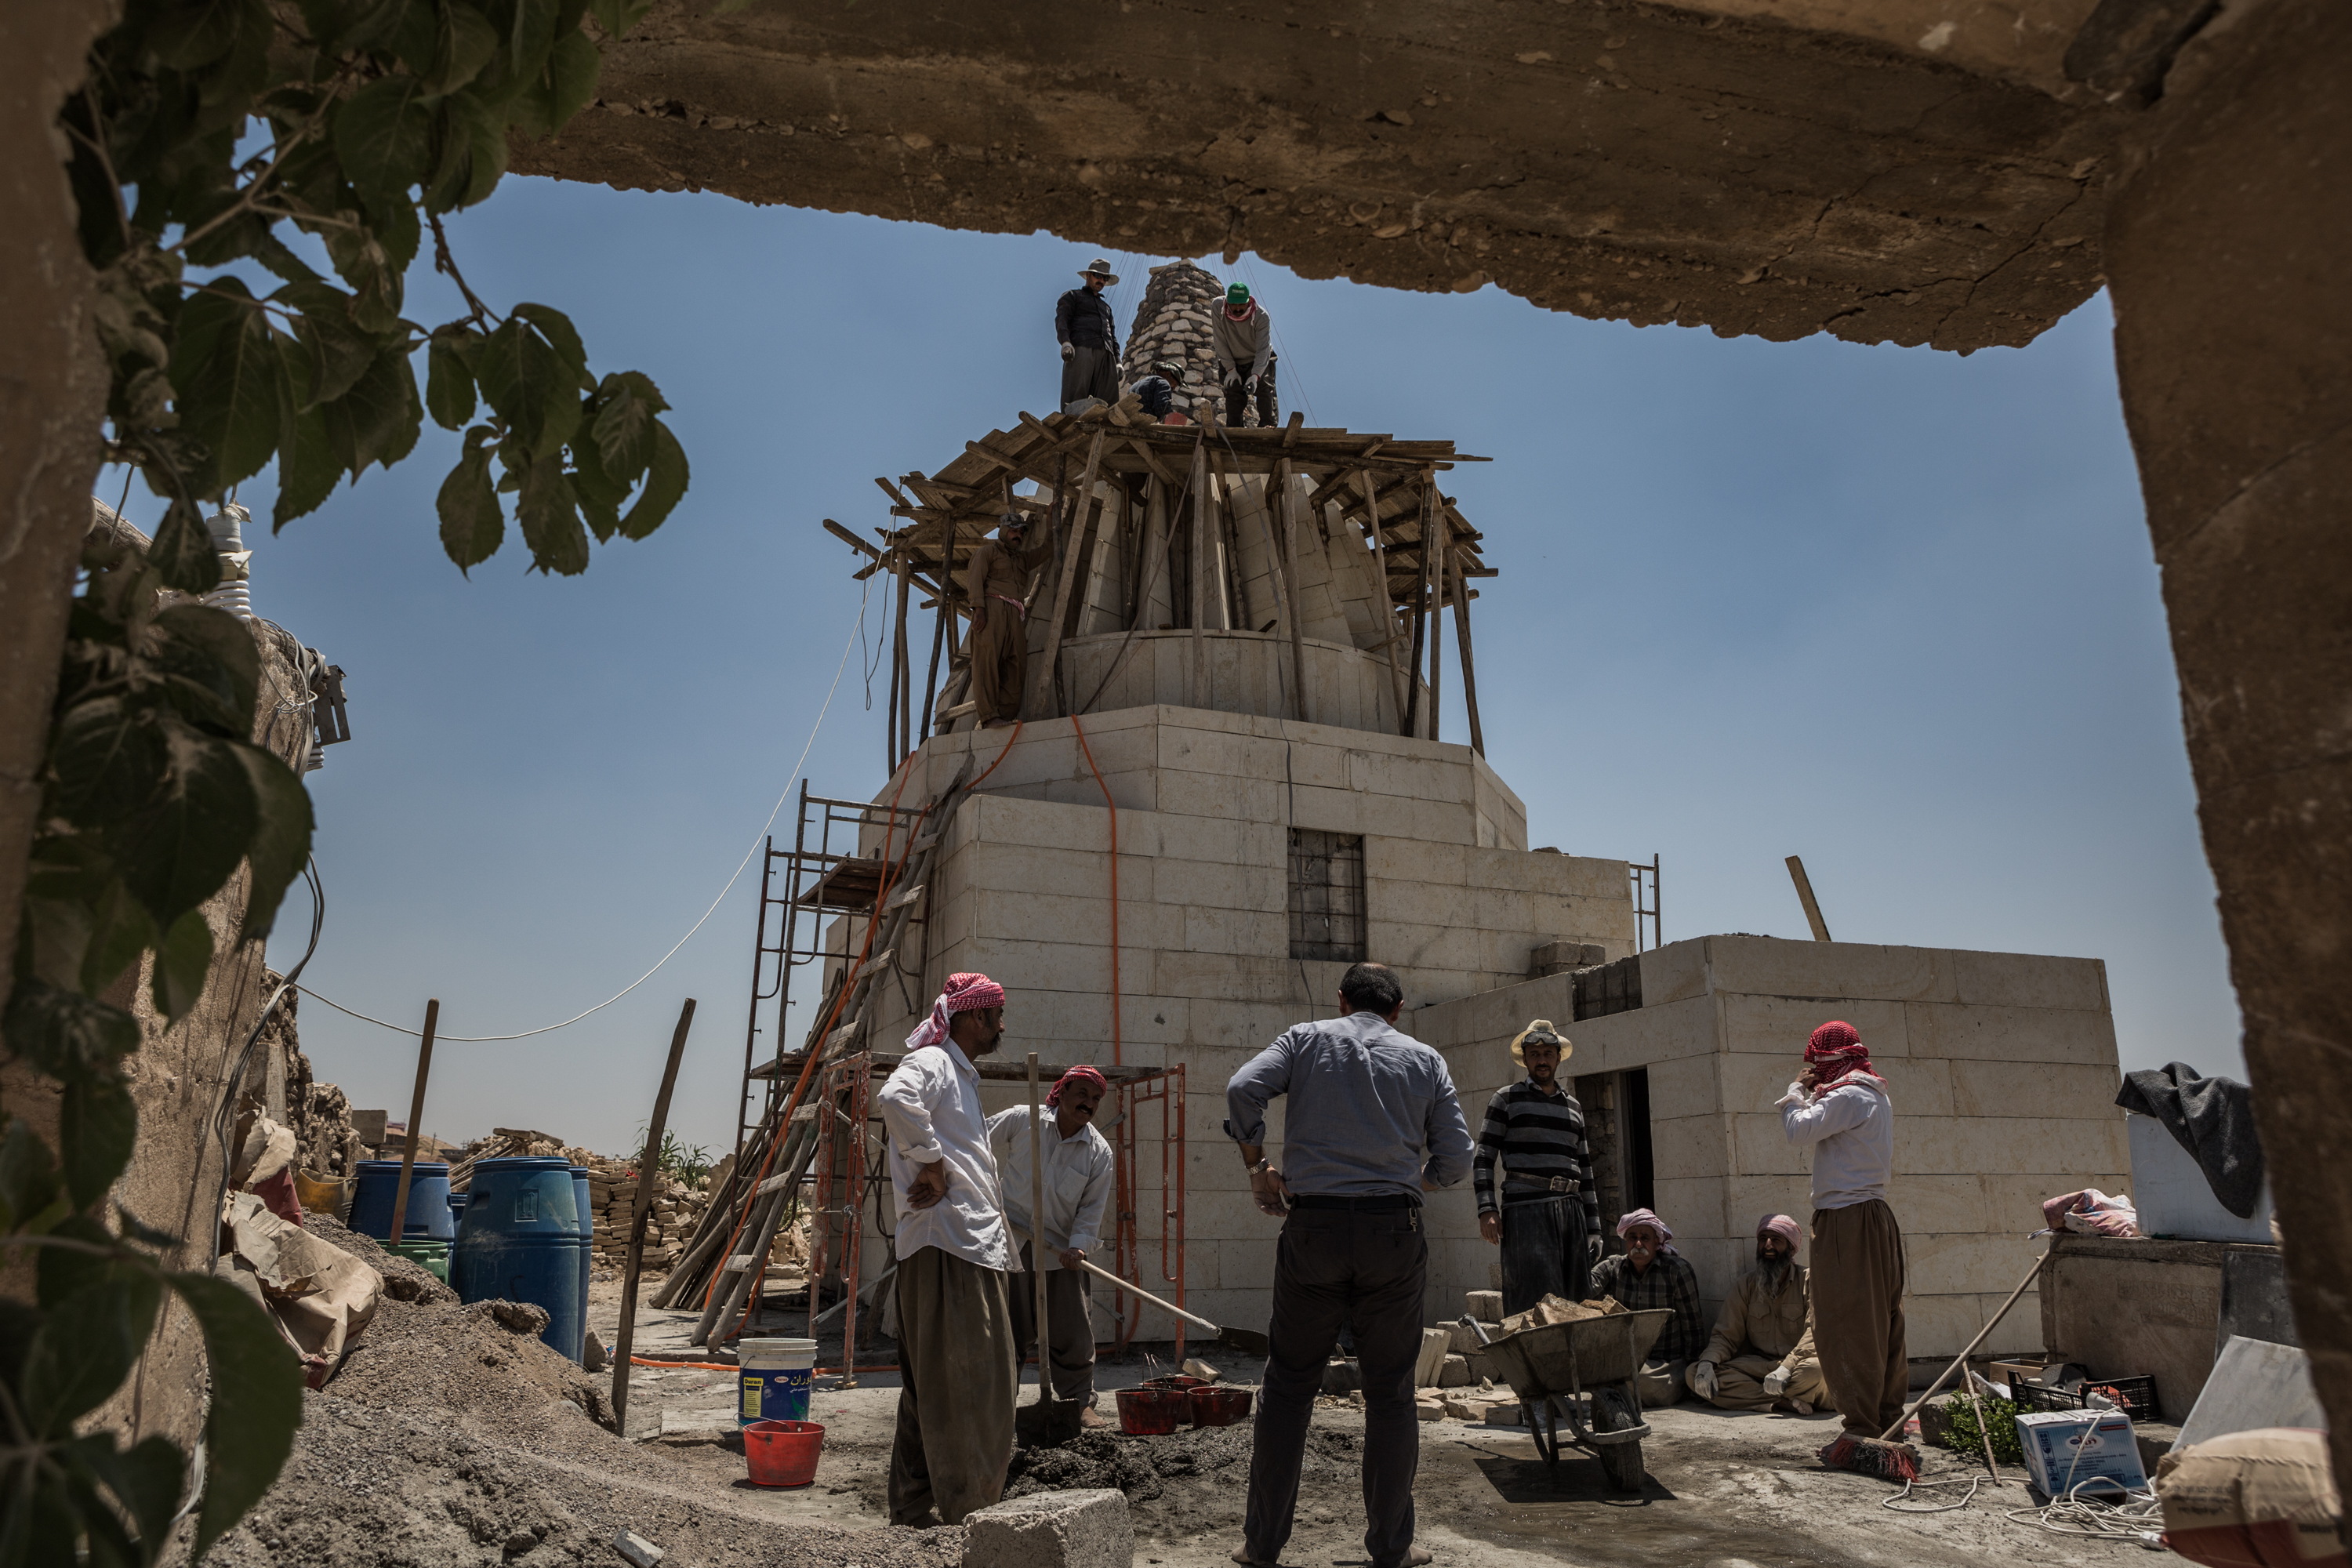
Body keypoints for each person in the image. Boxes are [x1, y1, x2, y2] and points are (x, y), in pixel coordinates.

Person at [1225, 961, 1473, 1568]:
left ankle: (1261, 1549)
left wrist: (1258, 1169)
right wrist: (1418, 1179)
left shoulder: (1306, 1039)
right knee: (1390, 1394)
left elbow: (1242, 1089)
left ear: (1341, 1001)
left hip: (1314, 1227)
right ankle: (1391, 1550)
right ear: (1399, 1008)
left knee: (1287, 1389)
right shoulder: (1425, 1059)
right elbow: (1458, 1157)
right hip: (1395, 1231)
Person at [874, 972, 1020, 1525]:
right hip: (950, 1247)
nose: (1001, 1025)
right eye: (996, 1014)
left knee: (932, 1388)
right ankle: (972, 1516)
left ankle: (913, 1507)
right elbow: (895, 1096)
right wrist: (932, 1162)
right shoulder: (936, 1063)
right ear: (973, 1016)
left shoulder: (960, 1074)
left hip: (959, 1247)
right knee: (975, 1387)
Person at [1780, 1019, 1907, 1449]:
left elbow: (1797, 1129)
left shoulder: (1851, 1096)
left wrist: (1795, 1091)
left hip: (1848, 1219)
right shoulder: (1870, 1094)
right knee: (1879, 1319)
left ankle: (1863, 1428)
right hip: (1869, 1215)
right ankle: (1885, 1417)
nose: (1813, 1070)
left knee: (1849, 1322)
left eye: (1816, 1062)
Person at [985, 1063, 1116, 1427]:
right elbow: (975, 1143)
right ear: (1062, 1092)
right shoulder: (1022, 1119)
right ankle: (998, 1405)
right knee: (1004, 1330)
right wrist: (979, 1188)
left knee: (1072, 1331)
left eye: (1095, 1099)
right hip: (1009, 1242)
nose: (1088, 1103)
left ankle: (1078, 1402)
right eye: (1082, 1094)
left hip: (1060, 1253)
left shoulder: (1098, 1153)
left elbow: (1091, 1210)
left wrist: (1079, 1247)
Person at [1472, 1020, 1602, 1315]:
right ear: (1525, 1059)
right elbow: (1483, 1157)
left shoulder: (1574, 1107)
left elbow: (1584, 1167)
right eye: (1534, 1054)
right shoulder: (1506, 1099)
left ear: (1558, 1057)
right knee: (1534, 1304)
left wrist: (1593, 1228)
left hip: (1571, 1212)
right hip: (1527, 1211)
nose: (1541, 1060)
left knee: (1576, 1303)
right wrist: (1487, 1209)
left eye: (1547, 1053)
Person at [1687, 1214, 1829, 1413]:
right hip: (1759, 1367)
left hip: (1797, 1364)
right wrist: (1708, 1362)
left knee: (1817, 1371)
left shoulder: (1810, 1281)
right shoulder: (1745, 1286)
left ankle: (1754, 1400)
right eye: (1763, 1239)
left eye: (1776, 1240)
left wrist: (1787, 1367)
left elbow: (1815, 1333)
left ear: (1791, 1247)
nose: (1768, 1245)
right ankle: (1782, 1403)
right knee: (1694, 1373)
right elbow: (1725, 1335)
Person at [1585, 1208, 1706, 1408]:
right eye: (1632, 1237)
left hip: (1664, 1364)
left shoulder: (1677, 1271)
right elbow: (1584, 1287)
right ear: (1626, 1241)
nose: (1638, 1244)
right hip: (1627, 1360)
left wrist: (1695, 1373)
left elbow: (1693, 1325)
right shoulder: (1614, 1266)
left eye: (1645, 1238)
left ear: (1657, 1242)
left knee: (1642, 1381)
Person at [964, 511, 1051, 728]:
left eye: (1021, 532)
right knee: (987, 662)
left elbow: (1047, 550)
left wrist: (1051, 520)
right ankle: (989, 716)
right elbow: (975, 578)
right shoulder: (987, 552)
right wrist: (979, 609)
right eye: (1013, 530)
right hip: (991, 609)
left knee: (1017, 664)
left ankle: (1002, 715)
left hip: (1015, 614)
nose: (1018, 535)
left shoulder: (1022, 559)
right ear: (1003, 531)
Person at [1056, 259, 1121, 411]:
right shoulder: (1073, 296)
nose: (1101, 281)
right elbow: (1062, 320)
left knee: (1107, 403)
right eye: (1098, 276)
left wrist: (1118, 361)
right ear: (1088, 275)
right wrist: (1066, 342)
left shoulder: (1106, 308)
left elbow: (1113, 336)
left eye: (1105, 278)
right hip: (1083, 348)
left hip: (1107, 354)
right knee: (1076, 398)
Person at [1211, 281, 1277, 429]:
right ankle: (1235, 430)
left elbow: (1263, 350)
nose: (1238, 308)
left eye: (1242, 305)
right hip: (1233, 359)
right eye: (1234, 305)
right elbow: (1220, 340)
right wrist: (1230, 369)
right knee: (1233, 392)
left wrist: (1255, 376)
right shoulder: (1217, 306)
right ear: (1227, 301)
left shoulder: (1261, 317)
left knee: (1264, 388)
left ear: (1249, 302)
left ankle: (1268, 427)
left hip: (1258, 359)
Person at [1131, 358, 1192, 424]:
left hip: (1132, 422)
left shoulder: (1137, 384)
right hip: (1146, 425)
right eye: (1176, 384)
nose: (1174, 388)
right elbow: (1162, 409)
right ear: (1168, 374)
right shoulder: (1163, 382)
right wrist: (1171, 414)